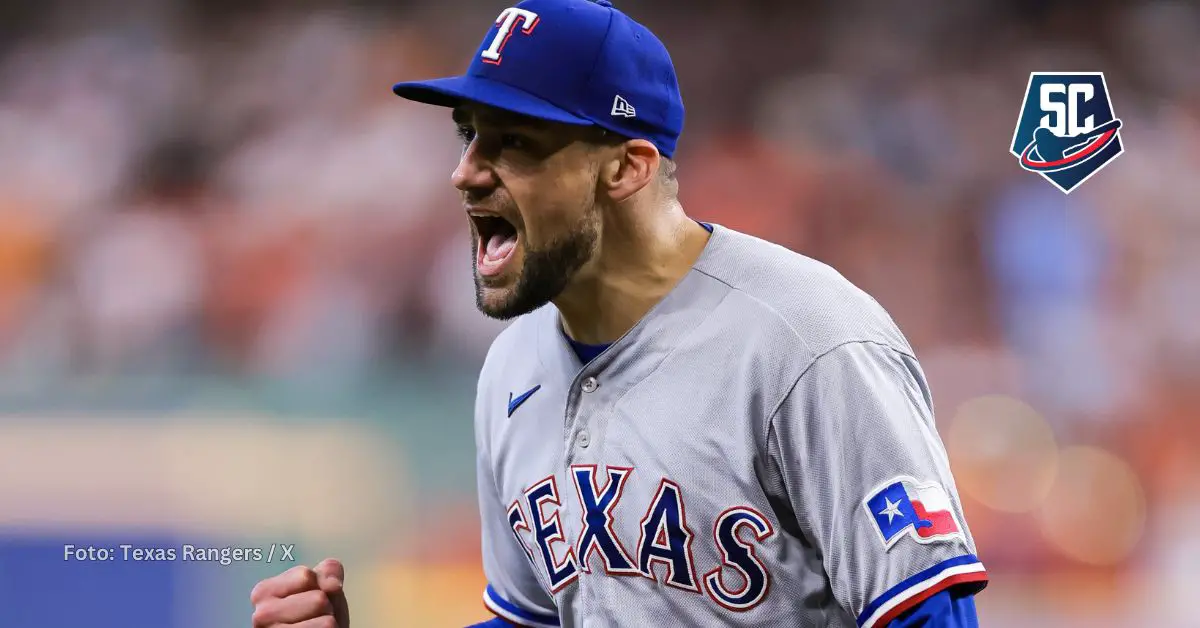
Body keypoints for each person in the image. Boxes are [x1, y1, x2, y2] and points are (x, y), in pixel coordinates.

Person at [250, 1, 988, 626]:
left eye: (514, 142)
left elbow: (927, 611)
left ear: (627, 167)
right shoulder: (513, 365)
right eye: (468, 134)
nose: (466, 171)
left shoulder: (806, 343)